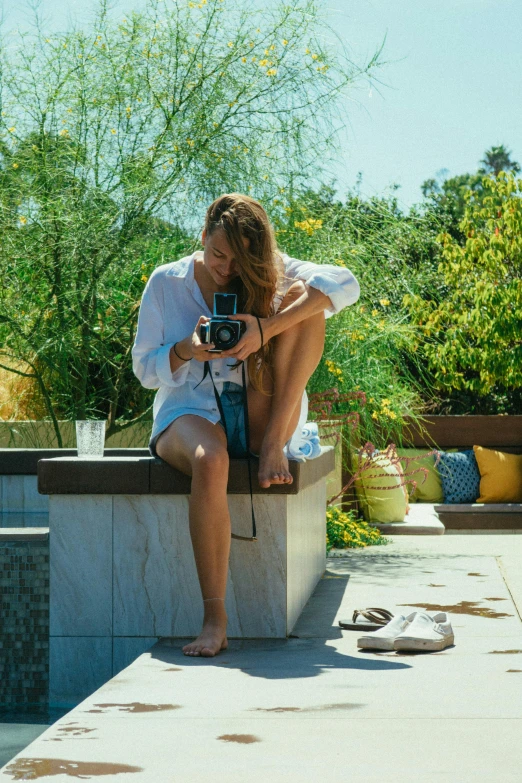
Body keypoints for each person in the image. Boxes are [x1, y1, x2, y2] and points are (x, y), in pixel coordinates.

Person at [132, 193, 360, 658]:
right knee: (210, 459)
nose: (225, 267)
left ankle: (274, 444)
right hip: (189, 411)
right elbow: (143, 369)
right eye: (218, 254)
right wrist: (186, 349)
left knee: (305, 299)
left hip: (258, 414)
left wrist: (264, 329)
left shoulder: (269, 268)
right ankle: (215, 620)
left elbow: (345, 284)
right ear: (202, 237)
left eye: (238, 259)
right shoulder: (166, 282)